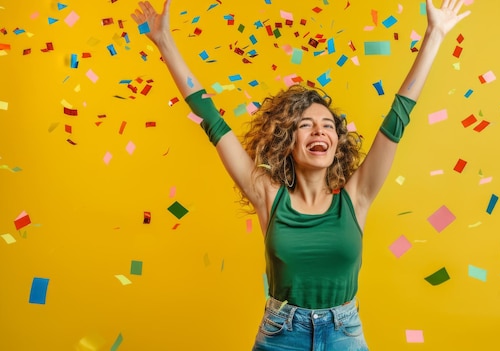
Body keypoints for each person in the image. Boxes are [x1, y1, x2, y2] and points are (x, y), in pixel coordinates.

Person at [131, 0, 469, 350]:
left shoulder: (357, 196)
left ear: (337, 142)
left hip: (344, 335)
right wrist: (165, 42)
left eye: (327, 126)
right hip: (281, 336)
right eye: (305, 126)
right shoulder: (267, 195)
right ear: (287, 143)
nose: (318, 131)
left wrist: (434, 34)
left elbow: (397, 118)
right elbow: (213, 122)